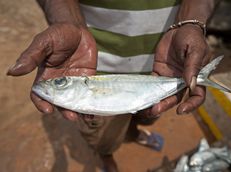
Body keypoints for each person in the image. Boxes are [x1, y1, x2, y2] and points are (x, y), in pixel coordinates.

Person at [7, 0, 218, 171]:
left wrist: (190, 22)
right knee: (102, 135)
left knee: (146, 114)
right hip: (91, 63)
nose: (54, 85)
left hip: (165, 64)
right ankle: (107, 156)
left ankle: (134, 134)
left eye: (60, 83)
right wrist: (68, 21)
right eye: (61, 83)